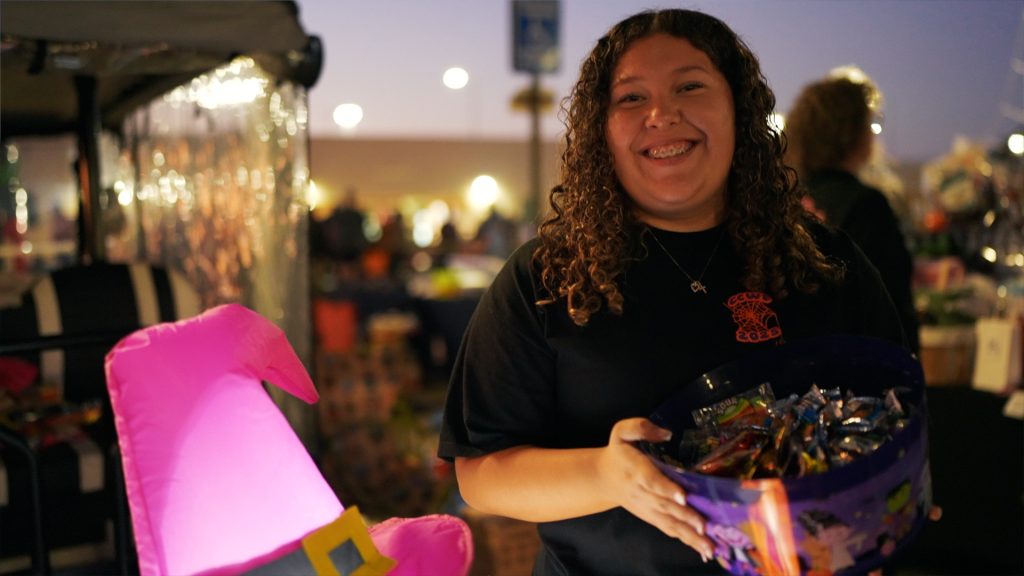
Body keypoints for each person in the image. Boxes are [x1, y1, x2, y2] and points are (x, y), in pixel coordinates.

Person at [438, 9, 926, 575]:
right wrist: (606, 475)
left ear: (740, 113)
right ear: (602, 130)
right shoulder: (548, 280)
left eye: (690, 86)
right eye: (630, 98)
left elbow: (898, 413)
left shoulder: (828, 263)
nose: (662, 114)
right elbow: (480, 474)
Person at [784, 75, 921, 355]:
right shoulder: (866, 204)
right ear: (851, 133)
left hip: (804, 369)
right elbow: (890, 298)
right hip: (863, 367)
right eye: (868, 125)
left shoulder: (786, 200)